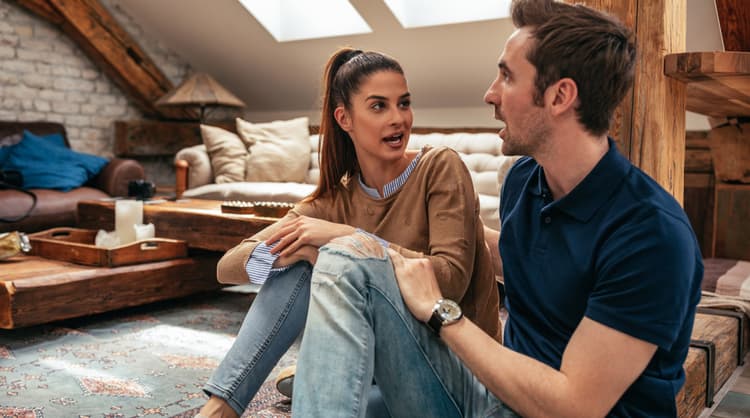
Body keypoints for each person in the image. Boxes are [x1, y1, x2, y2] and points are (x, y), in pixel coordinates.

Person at [290, 1, 703, 417]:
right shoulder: (525, 180)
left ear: (560, 96)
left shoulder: (651, 234)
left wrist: (440, 312)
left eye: (507, 76)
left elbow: (573, 406)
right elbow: (522, 258)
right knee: (347, 260)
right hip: (492, 397)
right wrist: (399, 229)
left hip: (550, 409)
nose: (490, 93)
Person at [196, 47, 502, 418]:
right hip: (382, 366)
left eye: (403, 104)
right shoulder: (334, 198)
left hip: (457, 373)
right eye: (379, 106)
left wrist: (344, 239)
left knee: (332, 261)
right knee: (301, 260)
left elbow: (449, 281)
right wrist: (296, 251)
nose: (398, 119)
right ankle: (220, 408)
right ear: (345, 118)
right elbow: (228, 266)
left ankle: (319, 373)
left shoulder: (439, 167)